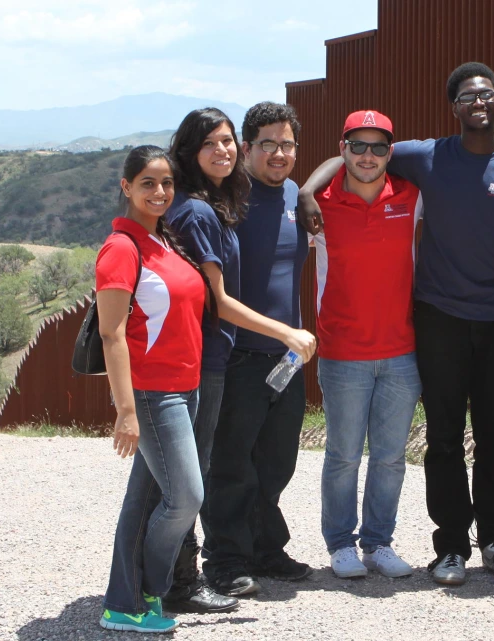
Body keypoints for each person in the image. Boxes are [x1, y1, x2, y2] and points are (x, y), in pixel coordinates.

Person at [297, 62, 494, 586]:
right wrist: (305, 192)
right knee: (444, 439)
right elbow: (348, 155)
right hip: (438, 320)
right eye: (466, 96)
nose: (477, 102)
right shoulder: (425, 155)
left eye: (486, 94)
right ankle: (451, 546)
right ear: (454, 106)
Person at [162, 107, 316, 611]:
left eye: (287, 144)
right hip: (240, 356)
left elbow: (345, 160)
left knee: (276, 463)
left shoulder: (296, 196)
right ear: (247, 149)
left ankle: (265, 548)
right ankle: (225, 562)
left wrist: (311, 189)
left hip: (286, 361)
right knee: (232, 466)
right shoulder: (230, 199)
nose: (278, 153)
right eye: (266, 143)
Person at [97, 145, 210, 633]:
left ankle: (123, 603)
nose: (160, 192)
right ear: (127, 187)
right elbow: (111, 333)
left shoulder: (163, 241)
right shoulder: (122, 248)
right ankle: (149, 589)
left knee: (144, 503)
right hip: (152, 393)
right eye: (148, 183)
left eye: (167, 183)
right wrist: (126, 410)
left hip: (185, 389)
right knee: (186, 498)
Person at [312, 110, 422, 580]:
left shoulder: (414, 197)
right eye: (358, 145)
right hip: (342, 351)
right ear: (342, 150)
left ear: (390, 153)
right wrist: (304, 188)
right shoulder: (317, 204)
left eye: (379, 147)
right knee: (342, 455)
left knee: (391, 456)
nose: (368, 156)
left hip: (402, 350)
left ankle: (378, 542)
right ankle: (341, 544)